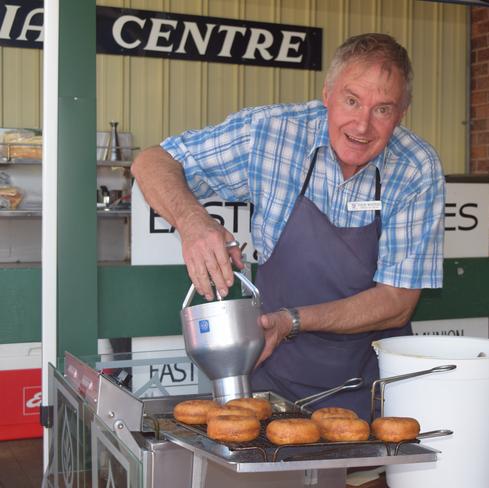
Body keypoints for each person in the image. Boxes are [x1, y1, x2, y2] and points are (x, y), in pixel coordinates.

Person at [131, 33, 445, 420]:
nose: (362, 125)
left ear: (402, 112)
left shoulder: (416, 167)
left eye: (383, 109)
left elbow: (396, 304)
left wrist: (291, 321)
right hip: (271, 377)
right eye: (351, 100)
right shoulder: (271, 133)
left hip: (367, 388)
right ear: (327, 93)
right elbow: (152, 161)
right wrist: (194, 223)